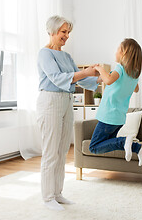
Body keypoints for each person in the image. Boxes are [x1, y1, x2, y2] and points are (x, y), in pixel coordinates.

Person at [37, 15, 100, 211]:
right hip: (51, 100)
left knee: (63, 149)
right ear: (52, 31)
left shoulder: (67, 57)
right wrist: (86, 72)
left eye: (68, 32)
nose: (66, 36)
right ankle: (48, 197)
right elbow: (57, 78)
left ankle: (57, 193)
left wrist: (100, 79)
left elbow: (79, 80)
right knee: (51, 151)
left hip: (66, 100)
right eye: (64, 32)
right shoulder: (45, 54)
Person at [89, 38, 142, 166]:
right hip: (119, 118)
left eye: (117, 49)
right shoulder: (134, 73)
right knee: (109, 142)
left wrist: (99, 68)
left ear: (124, 53)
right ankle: (137, 148)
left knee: (94, 146)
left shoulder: (120, 68)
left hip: (108, 115)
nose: (115, 52)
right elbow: (136, 89)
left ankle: (124, 141)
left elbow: (109, 80)